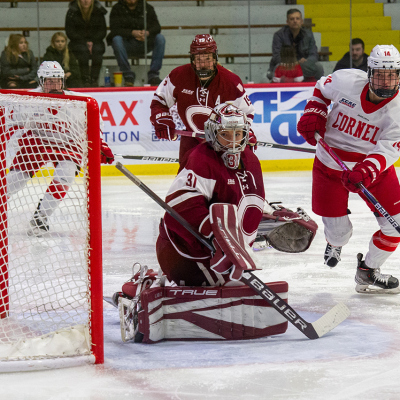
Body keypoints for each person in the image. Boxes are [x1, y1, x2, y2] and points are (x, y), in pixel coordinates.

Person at [297, 44, 400, 294]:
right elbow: (322, 88)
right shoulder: (346, 80)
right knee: (340, 233)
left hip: (371, 170)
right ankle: (335, 242)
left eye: (392, 75)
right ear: (369, 72)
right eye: (380, 75)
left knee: (395, 225)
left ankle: (367, 271)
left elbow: (389, 148)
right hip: (329, 165)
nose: (386, 82)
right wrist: (315, 111)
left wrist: (366, 170)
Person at [155, 103, 265, 287]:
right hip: (184, 253)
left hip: (224, 255)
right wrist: (216, 238)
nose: (232, 141)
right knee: (230, 286)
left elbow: (245, 200)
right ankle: (153, 283)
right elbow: (179, 205)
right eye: (225, 134)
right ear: (213, 133)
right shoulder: (201, 158)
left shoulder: (251, 161)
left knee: (235, 284)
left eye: (237, 134)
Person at [6, 61, 114, 236]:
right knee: (16, 179)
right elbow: (10, 123)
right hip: (38, 142)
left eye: (58, 80)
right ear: (41, 80)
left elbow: (93, 126)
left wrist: (101, 145)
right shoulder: (27, 100)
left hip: (67, 145)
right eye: (49, 81)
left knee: (65, 175)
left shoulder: (77, 102)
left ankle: (40, 218)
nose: (54, 85)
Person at [149, 34, 256, 169]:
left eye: (208, 59)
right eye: (199, 59)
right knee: (187, 185)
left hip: (225, 142)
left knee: (227, 186)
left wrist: (245, 133)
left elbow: (247, 113)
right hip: (191, 140)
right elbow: (159, 101)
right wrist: (161, 118)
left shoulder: (230, 81)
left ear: (215, 58)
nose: (204, 64)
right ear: (192, 59)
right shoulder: (178, 76)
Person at [107, 0, 165, 86]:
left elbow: (157, 27)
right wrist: (132, 33)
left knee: (160, 38)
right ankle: (128, 74)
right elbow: (114, 29)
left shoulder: (147, 8)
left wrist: (147, 33)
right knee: (116, 40)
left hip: (145, 43)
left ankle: (153, 75)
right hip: (126, 44)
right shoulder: (117, 9)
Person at [267, 9, 324, 82]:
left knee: (318, 67)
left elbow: (314, 55)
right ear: (287, 22)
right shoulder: (279, 35)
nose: (295, 21)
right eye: (292, 19)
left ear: (301, 21)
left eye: (297, 18)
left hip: (303, 66)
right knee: (272, 72)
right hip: (283, 66)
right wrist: (295, 63)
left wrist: (305, 61)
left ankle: (319, 89)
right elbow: (276, 56)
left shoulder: (308, 34)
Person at [65, 0, 107, 87]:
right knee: (82, 50)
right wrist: (85, 42)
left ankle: (94, 78)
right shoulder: (72, 12)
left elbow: (102, 31)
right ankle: (85, 78)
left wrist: (92, 42)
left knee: (98, 49)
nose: (85, 1)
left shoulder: (99, 11)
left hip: (96, 41)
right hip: (77, 41)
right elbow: (70, 32)